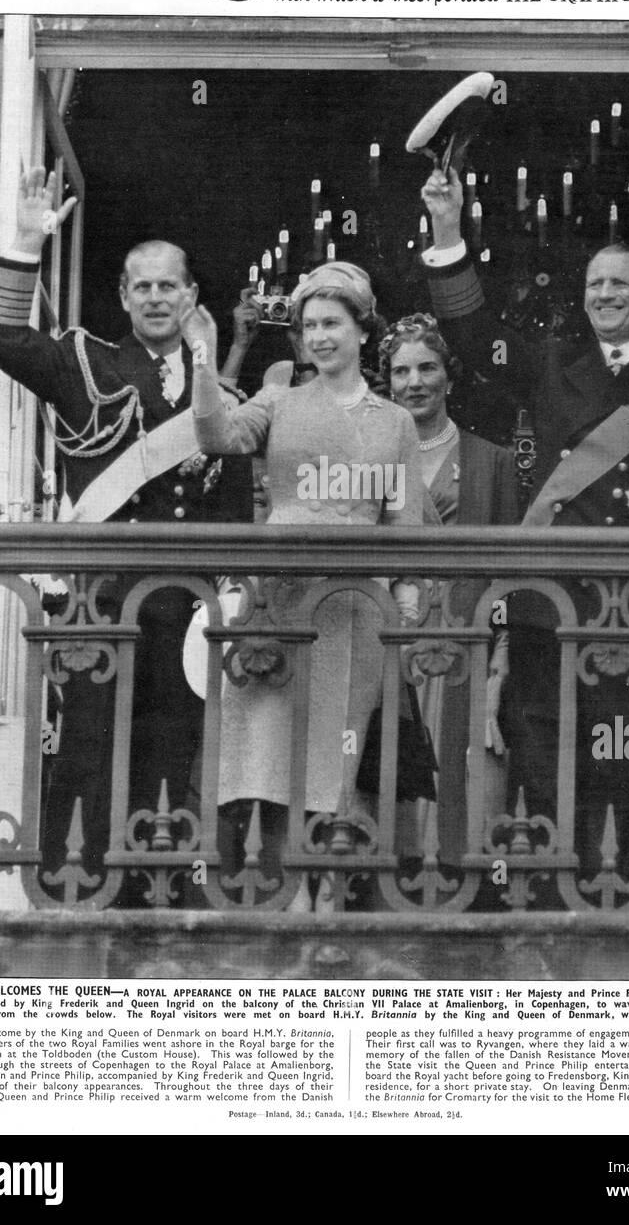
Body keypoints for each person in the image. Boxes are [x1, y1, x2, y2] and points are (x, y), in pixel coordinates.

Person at [0, 167, 254, 894]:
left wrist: (229, 595)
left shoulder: (222, 397)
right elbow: (3, 336)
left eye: (170, 286)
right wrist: (23, 240)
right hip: (100, 604)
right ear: (123, 298)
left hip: (186, 607)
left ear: (193, 297)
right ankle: (75, 892)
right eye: (143, 287)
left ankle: (156, 898)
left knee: (173, 755)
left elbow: (234, 510)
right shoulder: (83, 363)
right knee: (90, 756)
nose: (157, 298)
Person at [418, 164, 629, 884]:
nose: (602, 295)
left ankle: (623, 890)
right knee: (538, 748)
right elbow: (474, 337)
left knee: (621, 751)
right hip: (546, 598)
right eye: (594, 284)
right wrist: (448, 233)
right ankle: (545, 892)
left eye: (618, 284)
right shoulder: (549, 366)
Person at [178, 261, 424, 910]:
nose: (318, 336)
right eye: (308, 325)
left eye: (331, 323)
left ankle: (327, 900)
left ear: (361, 331)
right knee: (264, 752)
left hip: (353, 608)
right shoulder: (278, 400)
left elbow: (408, 524)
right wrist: (203, 365)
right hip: (276, 601)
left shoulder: (394, 423)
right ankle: (271, 896)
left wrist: (409, 601)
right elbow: (218, 435)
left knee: (334, 755)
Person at [377, 313, 518, 867]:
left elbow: (509, 572)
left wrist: (501, 660)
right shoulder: (373, 458)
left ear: (449, 378)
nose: (414, 381)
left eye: (427, 367)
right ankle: (389, 885)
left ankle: (460, 884)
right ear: (386, 382)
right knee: (390, 765)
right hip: (393, 637)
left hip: (467, 639)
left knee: (461, 770)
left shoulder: (492, 461)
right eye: (401, 371)